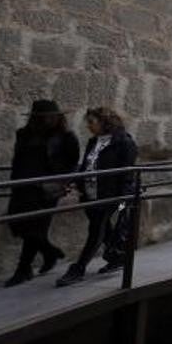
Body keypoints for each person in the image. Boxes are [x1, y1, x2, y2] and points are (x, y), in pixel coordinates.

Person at [56, 107, 139, 287]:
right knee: (104, 229)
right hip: (90, 195)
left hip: (109, 196)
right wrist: (76, 182)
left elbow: (127, 173)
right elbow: (88, 166)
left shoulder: (124, 142)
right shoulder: (94, 141)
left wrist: (123, 200)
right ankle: (117, 258)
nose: (88, 126)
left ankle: (78, 269)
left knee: (96, 230)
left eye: (92, 122)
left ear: (104, 122)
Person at [4, 100, 80, 287]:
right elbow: (18, 160)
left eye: (52, 116)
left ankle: (23, 269)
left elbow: (73, 163)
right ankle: (49, 252)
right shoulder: (23, 135)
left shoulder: (65, 137)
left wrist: (62, 183)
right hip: (23, 186)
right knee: (17, 224)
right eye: (45, 116)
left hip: (46, 189)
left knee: (35, 228)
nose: (50, 119)